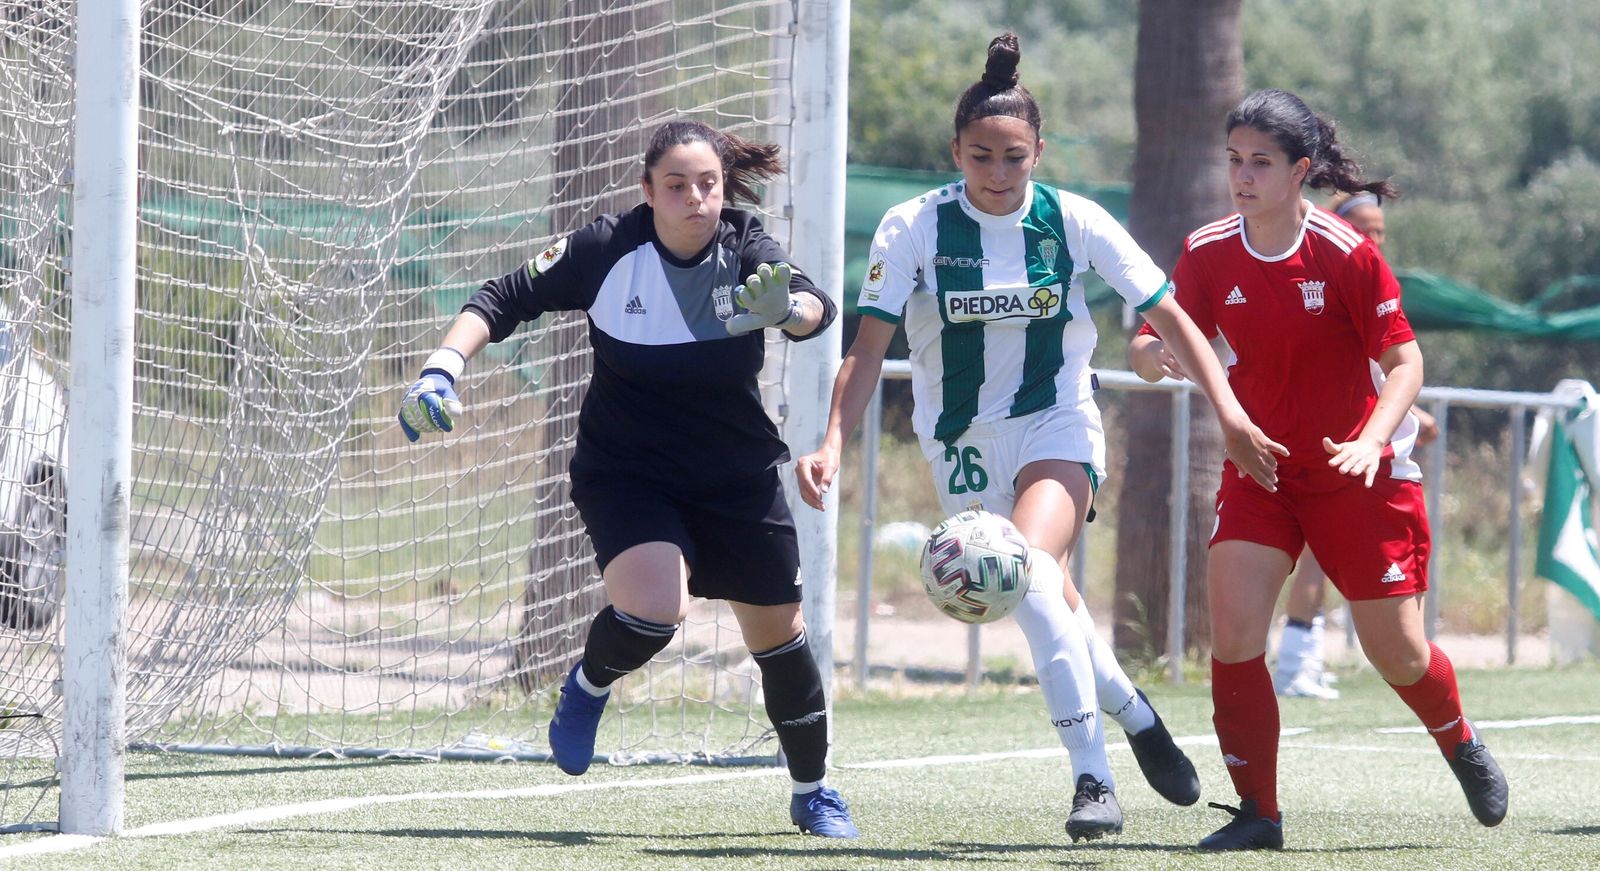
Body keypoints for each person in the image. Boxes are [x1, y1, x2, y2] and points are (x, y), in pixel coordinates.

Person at [794, 33, 1283, 843]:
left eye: (1013, 157)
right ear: (955, 150)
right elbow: (867, 350)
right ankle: (1135, 711)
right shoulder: (911, 228)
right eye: (980, 155)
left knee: (1025, 568)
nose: (996, 171)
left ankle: (1092, 778)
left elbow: (1171, 315)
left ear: (1037, 154)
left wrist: (1227, 411)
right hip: (959, 441)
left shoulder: (1074, 221)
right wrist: (831, 442)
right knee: (1040, 595)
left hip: (1057, 418)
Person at [397, 119, 858, 838]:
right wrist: (440, 368)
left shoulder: (745, 246)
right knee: (653, 610)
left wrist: (788, 309)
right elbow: (500, 297)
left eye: (707, 184)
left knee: (780, 639)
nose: (695, 198)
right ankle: (586, 686)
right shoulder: (604, 249)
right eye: (676, 185)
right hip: (627, 472)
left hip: (735, 477)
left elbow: (815, 308)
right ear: (648, 191)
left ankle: (814, 790)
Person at [1129, 88, 1509, 851]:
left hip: (1356, 473)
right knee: (1234, 635)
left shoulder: (1344, 252)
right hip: (1261, 467)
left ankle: (1458, 737)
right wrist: (1150, 354)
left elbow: (1405, 362)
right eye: (1234, 160)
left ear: (1300, 170)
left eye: (1260, 163)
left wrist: (1373, 438)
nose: (1242, 176)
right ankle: (1258, 813)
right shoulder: (1208, 249)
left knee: (1395, 651)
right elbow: (1156, 339)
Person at [1272, 191, 1440, 700]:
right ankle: (1295, 663)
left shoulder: (1371, 277)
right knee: (1315, 561)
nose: (1372, 238)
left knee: (1321, 563)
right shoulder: (1326, 274)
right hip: (1330, 442)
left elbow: (1387, 368)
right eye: (1362, 227)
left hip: (1359, 443)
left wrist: (1407, 418)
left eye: (1380, 230)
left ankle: (1302, 660)